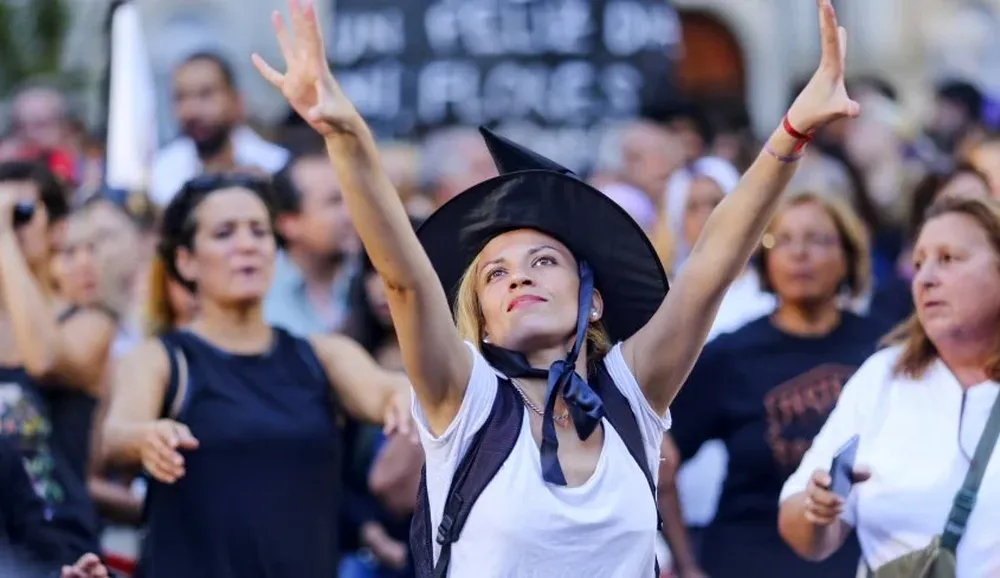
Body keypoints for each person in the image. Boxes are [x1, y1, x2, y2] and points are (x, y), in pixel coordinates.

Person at [252, 0, 860, 575]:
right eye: (496, 273)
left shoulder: (630, 392)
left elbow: (711, 268)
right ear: (482, 319)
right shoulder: (462, 401)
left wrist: (792, 130)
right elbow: (405, 280)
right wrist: (345, 137)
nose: (518, 274)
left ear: (592, 300)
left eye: (544, 261)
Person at [101, 173, 412, 578]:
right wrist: (145, 438)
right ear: (186, 260)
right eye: (224, 233)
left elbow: (384, 390)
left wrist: (404, 394)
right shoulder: (161, 359)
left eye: (259, 231)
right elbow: (115, 434)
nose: (246, 245)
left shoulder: (322, 354)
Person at [660, 192, 889, 578]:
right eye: (781, 240)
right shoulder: (730, 354)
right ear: (764, 260)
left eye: (818, 239)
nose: (799, 253)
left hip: (859, 561)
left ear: (849, 255)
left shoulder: (884, 351)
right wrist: (684, 564)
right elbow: (660, 460)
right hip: (745, 559)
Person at [778, 196, 1000, 577]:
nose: (926, 278)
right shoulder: (882, 377)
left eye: (948, 258)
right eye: (918, 263)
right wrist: (818, 511)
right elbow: (801, 527)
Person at [0, 161, 112, 566]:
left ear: (57, 229)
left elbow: (43, 358)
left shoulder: (89, 324)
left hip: (63, 552)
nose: (10, 226)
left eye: (21, 214)